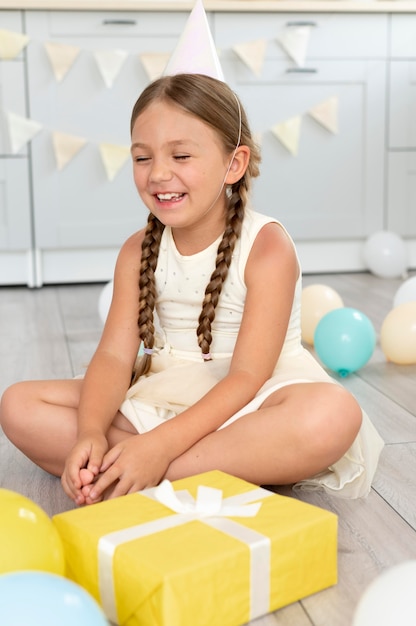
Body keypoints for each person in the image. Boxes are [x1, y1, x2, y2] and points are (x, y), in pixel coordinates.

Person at [0, 73, 383, 506]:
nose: (159, 173)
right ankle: (185, 465)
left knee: (332, 415)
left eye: (181, 155)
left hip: (251, 398)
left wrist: (158, 448)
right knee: (18, 404)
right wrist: (89, 432)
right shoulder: (136, 251)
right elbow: (112, 357)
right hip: (159, 391)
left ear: (233, 164)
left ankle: (148, 470)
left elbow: (246, 377)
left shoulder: (267, 247)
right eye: (142, 158)